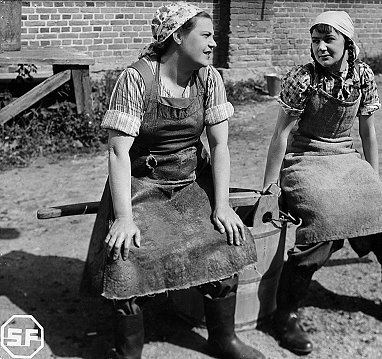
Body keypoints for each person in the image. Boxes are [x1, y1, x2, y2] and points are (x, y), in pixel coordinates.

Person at [80, 3, 265, 359]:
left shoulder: (210, 78)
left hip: (191, 181)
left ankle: (223, 339)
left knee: (227, 240)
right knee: (125, 254)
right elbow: (118, 154)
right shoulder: (136, 79)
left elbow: (220, 145)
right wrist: (123, 218)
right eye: (206, 35)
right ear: (177, 36)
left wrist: (223, 205)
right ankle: (128, 350)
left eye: (213, 37)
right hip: (141, 184)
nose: (214, 44)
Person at [262, 10, 382, 355]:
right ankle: (285, 313)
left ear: (347, 42)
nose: (320, 47)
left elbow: (367, 131)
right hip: (305, 161)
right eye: (315, 40)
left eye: (328, 39)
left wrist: (375, 182)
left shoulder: (363, 75)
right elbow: (281, 135)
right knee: (323, 219)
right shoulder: (302, 77)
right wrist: (270, 187)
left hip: (346, 159)